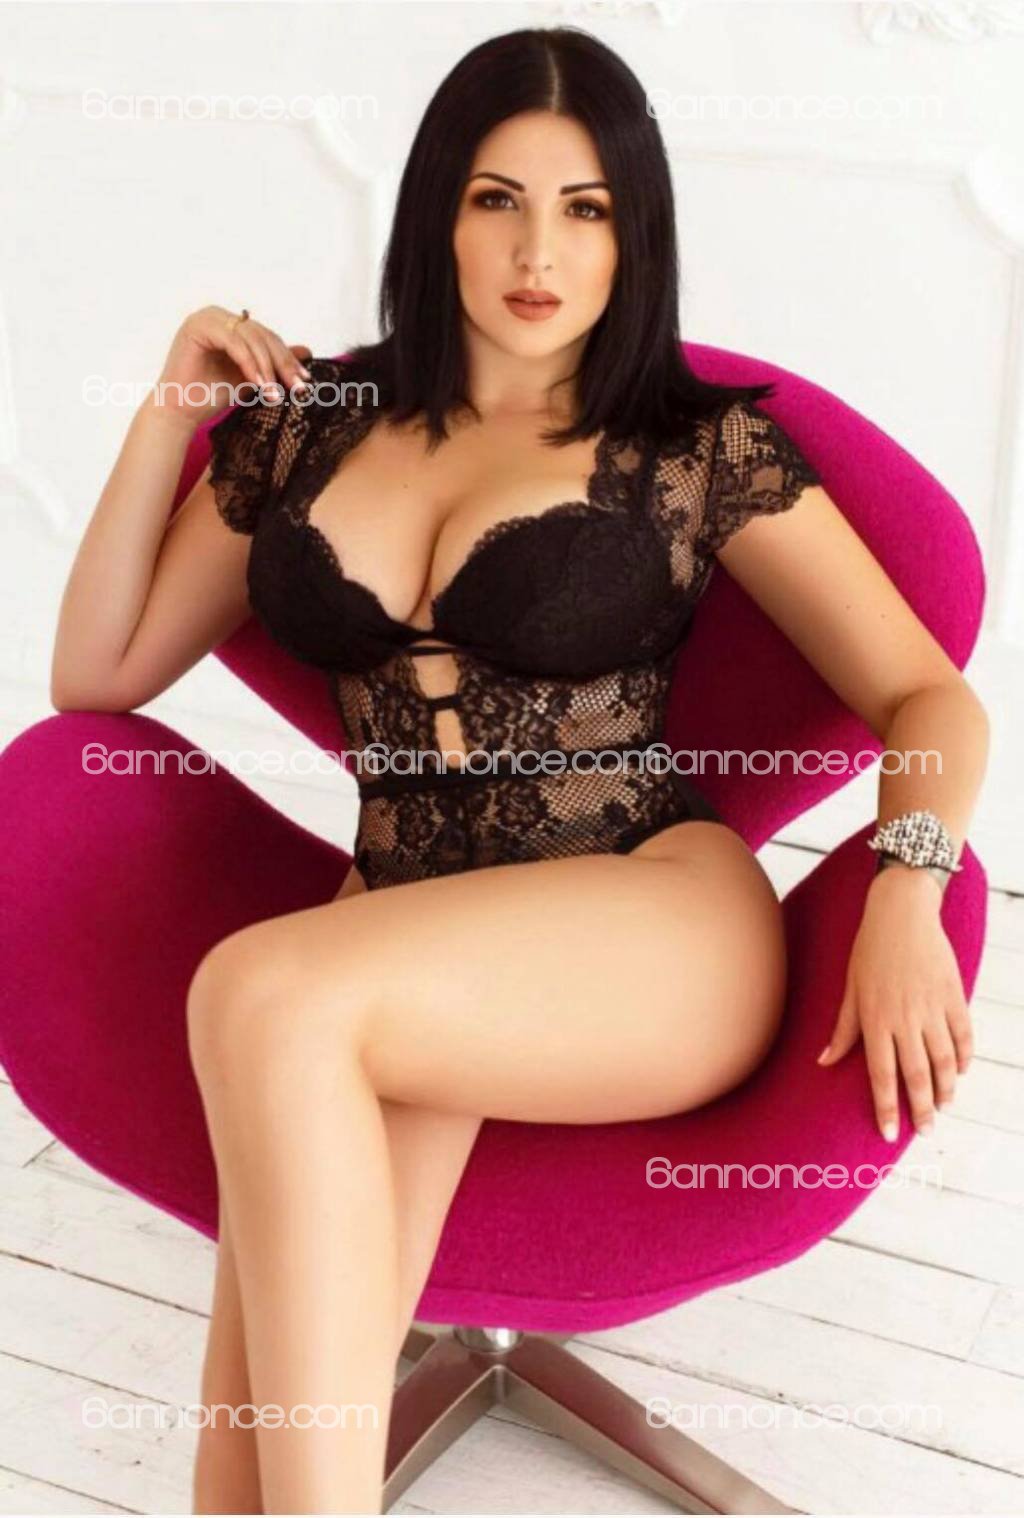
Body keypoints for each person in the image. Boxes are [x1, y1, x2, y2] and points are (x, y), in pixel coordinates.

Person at [50, 25, 988, 1516]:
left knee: (258, 990)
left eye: (585, 208)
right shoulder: (307, 435)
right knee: (248, 1473)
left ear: (633, 233)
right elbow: (96, 674)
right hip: (406, 940)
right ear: (438, 212)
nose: (538, 251)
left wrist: (906, 891)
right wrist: (171, 403)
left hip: (650, 915)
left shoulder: (692, 448)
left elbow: (927, 690)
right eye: (498, 199)